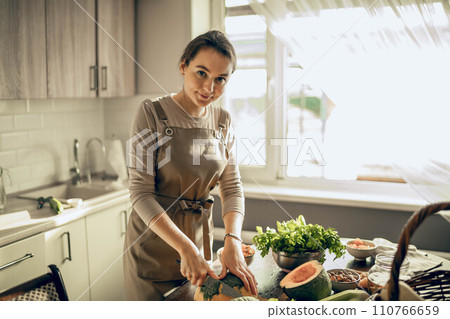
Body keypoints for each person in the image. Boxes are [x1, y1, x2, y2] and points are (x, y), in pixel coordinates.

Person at [123, 30, 258, 300]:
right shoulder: (151, 113)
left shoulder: (223, 121)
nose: (209, 88)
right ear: (183, 66)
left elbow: (231, 187)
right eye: (201, 73)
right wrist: (185, 248)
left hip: (199, 251)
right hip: (153, 251)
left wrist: (232, 238)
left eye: (221, 79)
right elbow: (140, 193)